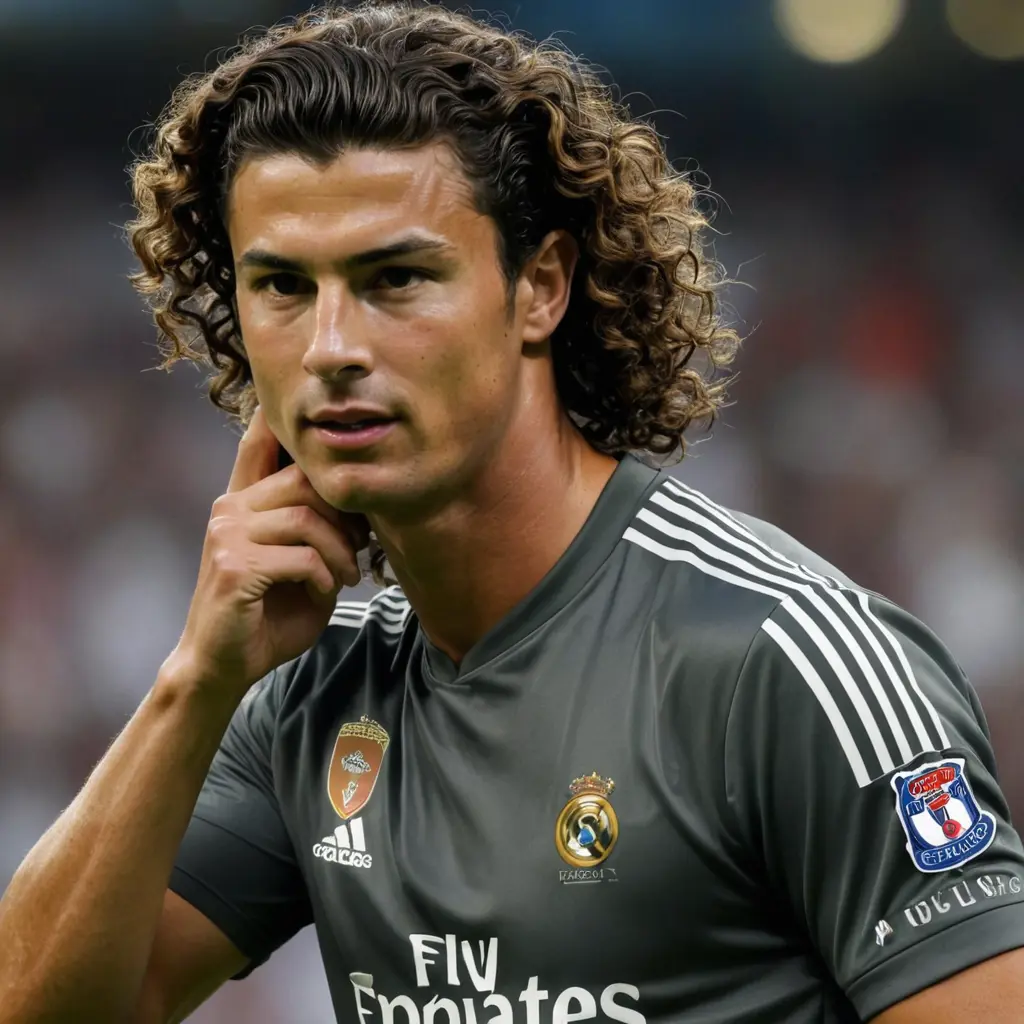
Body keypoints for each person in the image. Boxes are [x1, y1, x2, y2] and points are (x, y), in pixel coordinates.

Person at [1, 2, 1023, 1022]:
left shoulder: (782, 663)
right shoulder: (308, 692)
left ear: (540, 288)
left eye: (395, 277)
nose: (330, 346)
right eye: (281, 286)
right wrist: (194, 680)